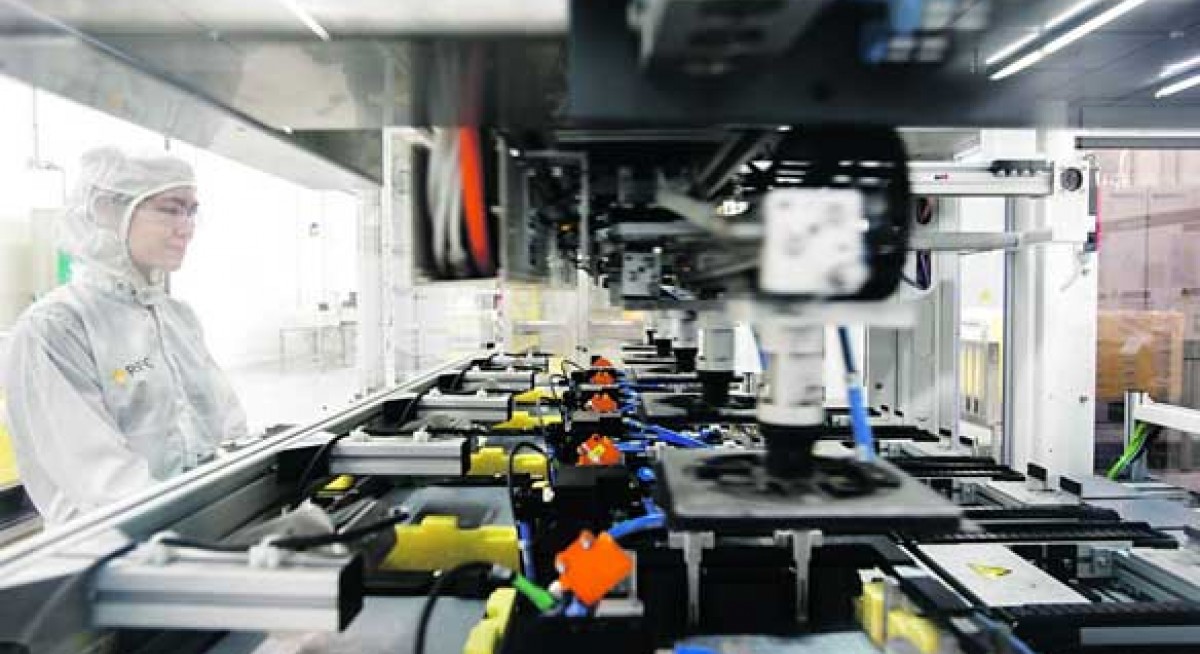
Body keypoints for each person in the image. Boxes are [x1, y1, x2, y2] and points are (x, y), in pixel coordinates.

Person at [3, 146, 247, 525]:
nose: (186, 227)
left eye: (191, 211)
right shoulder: (56, 327)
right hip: (112, 547)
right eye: (171, 209)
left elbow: (229, 427)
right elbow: (104, 483)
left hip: (200, 527)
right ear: (107, 212)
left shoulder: (178, 318)